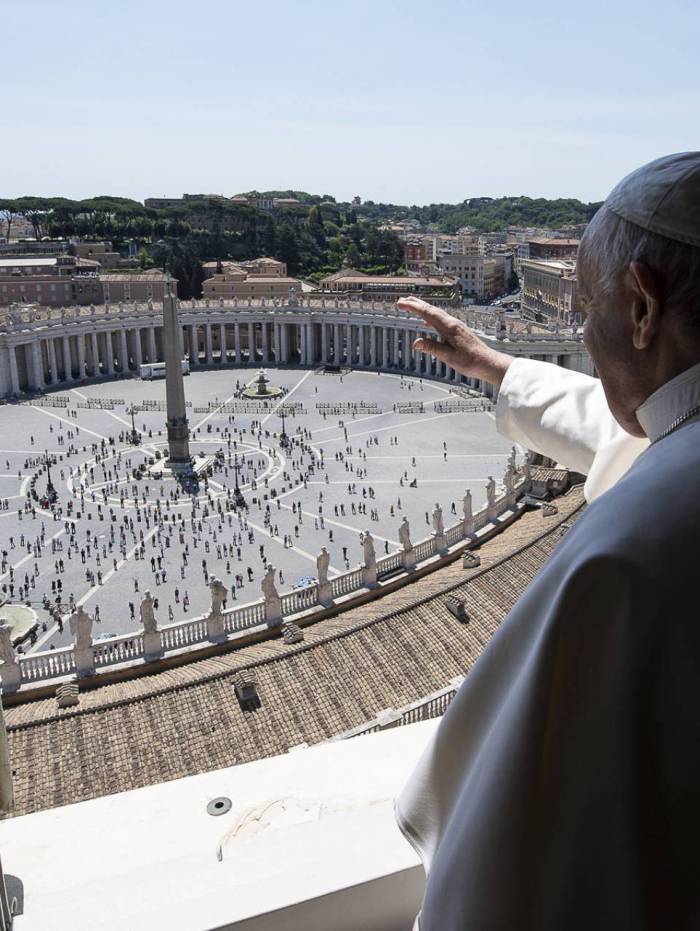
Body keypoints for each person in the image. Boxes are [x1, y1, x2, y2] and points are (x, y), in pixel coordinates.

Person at [396, 152, 700, 929]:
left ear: (643, 305)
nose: (578, 334)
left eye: (585, 305)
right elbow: (639, 429)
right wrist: (495, 366)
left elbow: (507, 873)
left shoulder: (629, 557)